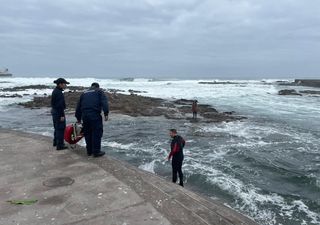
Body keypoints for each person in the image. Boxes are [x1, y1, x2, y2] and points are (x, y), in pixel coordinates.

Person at [75, 83, 109, 157]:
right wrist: (106, 113)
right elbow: (104, 102)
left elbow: (78, 106)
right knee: (97, 132)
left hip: (85, 116)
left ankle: (89, 151)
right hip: (94, 115)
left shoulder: (84, 93)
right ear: (97, 87)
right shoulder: (99, 91)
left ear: (91, 86)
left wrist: (78, 118)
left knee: (87, 133)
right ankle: (96, 152)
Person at [51, 78, 69, 150]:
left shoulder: (55, 91)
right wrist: (62, 115)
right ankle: (60, 145)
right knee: (61, 128)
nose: (66, 85)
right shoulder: (58, 92)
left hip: (55, 112)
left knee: (56, 128)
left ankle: (55, 142)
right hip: (58, 113)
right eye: (65, 84)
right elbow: (60, 105)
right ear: (60, 84)